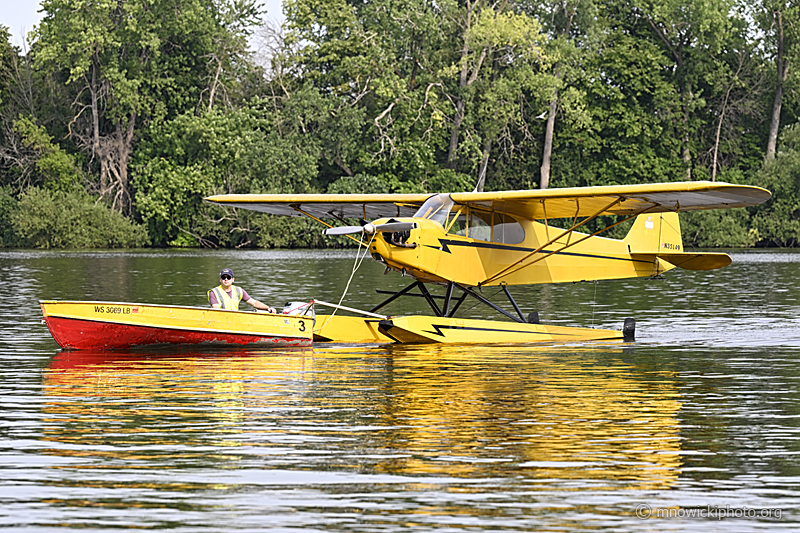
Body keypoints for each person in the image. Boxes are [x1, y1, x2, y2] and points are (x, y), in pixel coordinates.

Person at [208, 268, 275, 313]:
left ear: (233, 279)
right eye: (223, 277)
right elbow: (216, 310)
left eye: (228, 277)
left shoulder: (239, 290)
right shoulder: (214, 292)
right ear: (220, 279)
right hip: (221, 320)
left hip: (235, 319)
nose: (226, 279)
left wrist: (267, 308)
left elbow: (254, 303)